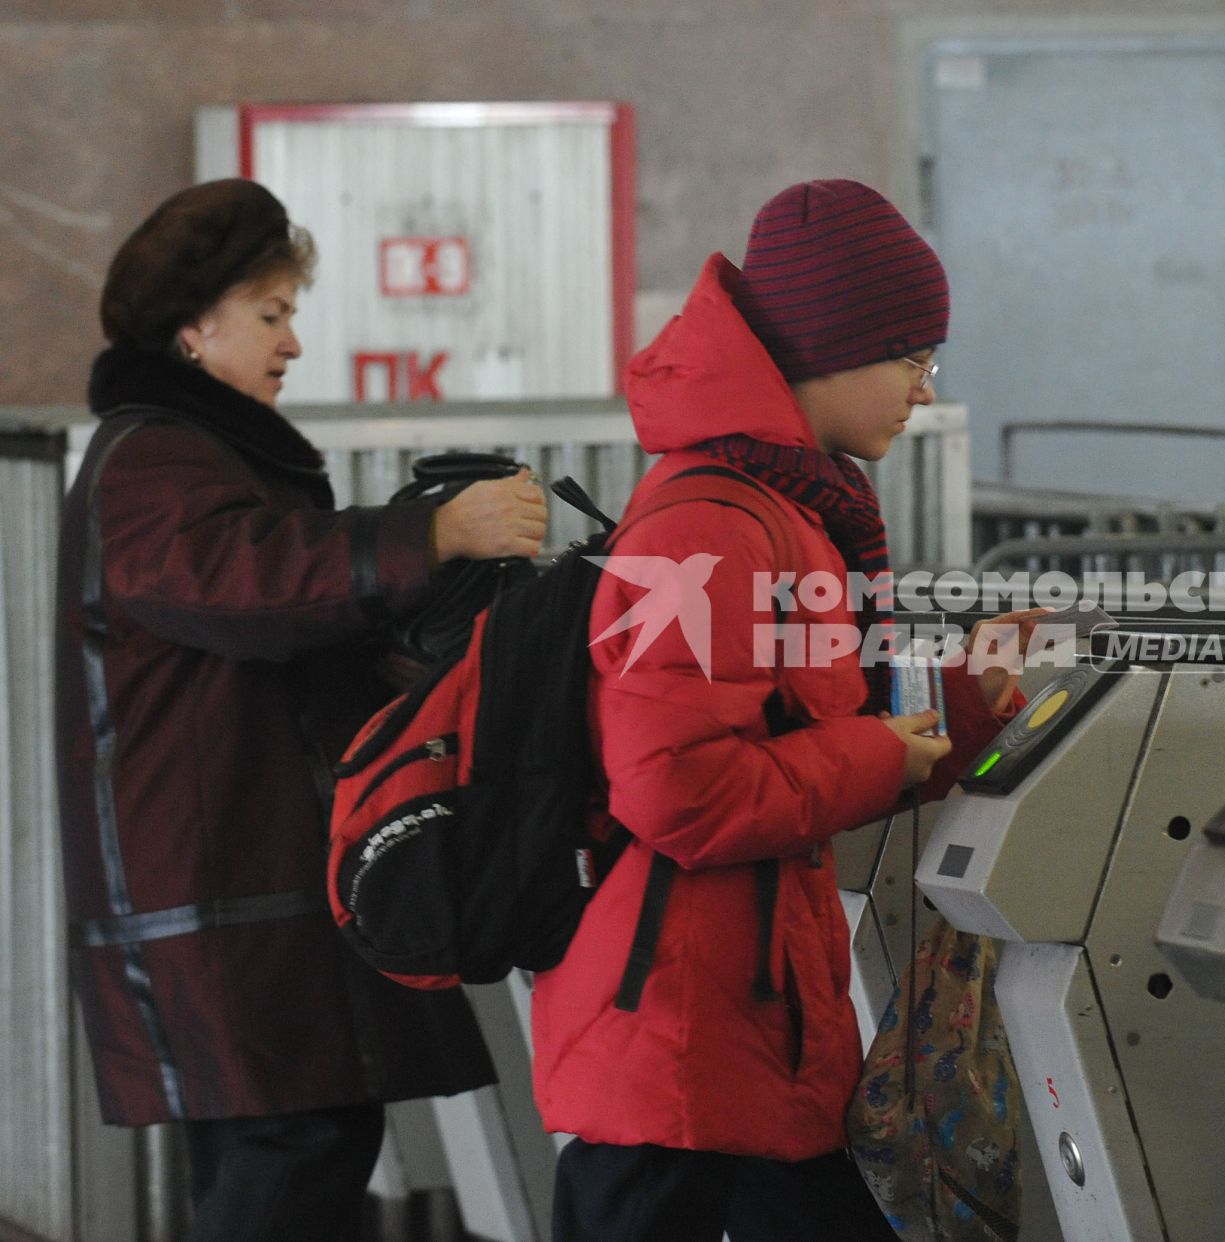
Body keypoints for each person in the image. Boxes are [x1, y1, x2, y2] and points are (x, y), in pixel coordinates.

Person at [533, 179, 1038, 1240]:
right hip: (681, 1054)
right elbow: (678, 787)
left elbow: (816, 733)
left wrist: (965, 710)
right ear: (833, 349)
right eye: (912, 357)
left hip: (752, 1032)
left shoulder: (781, 510)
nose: (924, 388)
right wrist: (873, 752)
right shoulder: (710, 522)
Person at [52, 178, 549, 1242]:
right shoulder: (156, 464)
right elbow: (252, 585)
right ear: (193, 327)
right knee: (295, 1151)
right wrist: (437, 537)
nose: (293, 345)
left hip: (239, 900)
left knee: (289, 1150)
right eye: (272, 315)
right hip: (229, 902)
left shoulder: (196, 457)